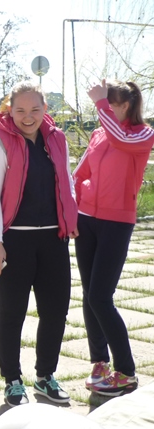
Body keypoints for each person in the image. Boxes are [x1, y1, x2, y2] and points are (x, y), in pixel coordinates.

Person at [0, 81, 78, 407]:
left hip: (53, 238)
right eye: (20, 110)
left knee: (55, 311)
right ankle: (12, 382)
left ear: (44, 109)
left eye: (35, 109)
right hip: (13, 241)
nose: (28, 116)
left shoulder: (57, 140)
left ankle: (45, 376)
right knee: (12, 313)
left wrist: (71, 218)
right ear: (9, 109)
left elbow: (67, 181)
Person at [74, 79, 154, 397]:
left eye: (114, 104)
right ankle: (100, 363)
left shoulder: (142, 135)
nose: (110, 109)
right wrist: (72, 207)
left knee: (100, 298)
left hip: (116, 223)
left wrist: (99, 104)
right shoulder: (98, 134)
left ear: (127, 106)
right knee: (89, 295)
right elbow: (80, 173)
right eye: (109, 104)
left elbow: (121, 139)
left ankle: (126, 372)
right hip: (87, 220)